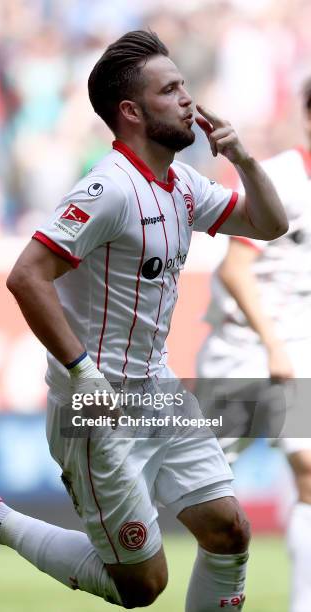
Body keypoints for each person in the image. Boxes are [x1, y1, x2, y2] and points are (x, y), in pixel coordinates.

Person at [0, 31, 287, 610]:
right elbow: (26, 275)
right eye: (171, 90)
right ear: (132, 111)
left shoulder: (184, 186)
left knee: (230, 532)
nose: (189, 101)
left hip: (158, 390)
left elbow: (269, 225)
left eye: (185, 87)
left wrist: (242, 157)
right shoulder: (107, 189)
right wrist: (81, 372)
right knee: (142, 587)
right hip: (97, 403)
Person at [196, 78, 311, 612]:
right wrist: (274, 346)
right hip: (243, 346)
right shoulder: (284, 178)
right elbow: (236, 269)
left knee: (308, 469)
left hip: (297, 347)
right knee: (203, 489)